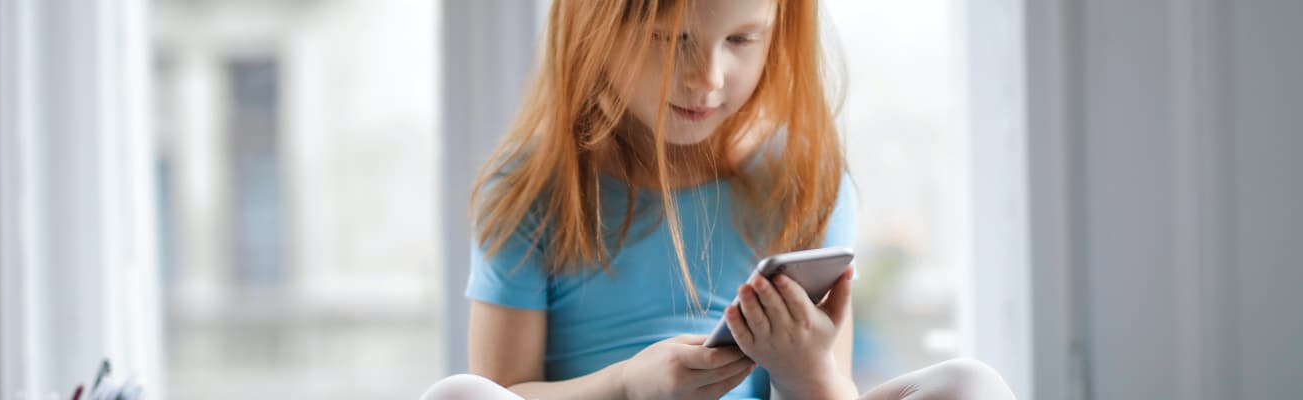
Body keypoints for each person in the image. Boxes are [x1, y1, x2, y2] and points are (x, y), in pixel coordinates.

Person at [424, 0, 1016, 398]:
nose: (707, 76)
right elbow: (505, 390)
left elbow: (834, 387)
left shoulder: (804, 179)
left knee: (972, 383)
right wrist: (628, 386)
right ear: (594, 30)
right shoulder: (534, 188)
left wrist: (806, 370)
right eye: (670, 38)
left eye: (741, 38)